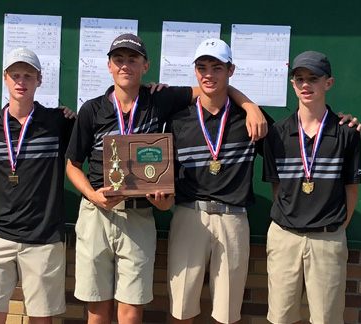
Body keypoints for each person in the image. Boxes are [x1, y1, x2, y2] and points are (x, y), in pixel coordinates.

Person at [65, 34, 267, 324]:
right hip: (97, 212)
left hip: (139, 215)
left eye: (132, 60)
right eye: (118, 60)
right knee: (97, 308)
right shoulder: (92, 109)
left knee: (131, 307)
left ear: (145, 66)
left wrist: (249, 105)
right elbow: (72, 165)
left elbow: (210, 88)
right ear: (108, 66)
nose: (125, 66)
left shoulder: (160, 99)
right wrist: (92, 194)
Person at [163, 38, 275, 324]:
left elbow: (294, 142)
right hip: (190, 216)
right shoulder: (177, 120)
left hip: (233, 219)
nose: (208, 75)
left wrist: (343, 124)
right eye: (202, 68)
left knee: (227, 312)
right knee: (181, 307)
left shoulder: (253, 119)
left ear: (231, 70)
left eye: (217, 67)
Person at [0, 47, 75, 324]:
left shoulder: (57, 123)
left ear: (39, 80)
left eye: (28, 75)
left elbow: (98, 131)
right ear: (4, 78)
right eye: (15, 74)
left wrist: (147, 92)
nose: (21, 81)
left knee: (41, 317)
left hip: (44, 237)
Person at [262, 51, 361, 324]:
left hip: (327, 239)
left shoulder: (347, 133)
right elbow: (277, 188)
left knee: (326, 318)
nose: (306, 85)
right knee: (281, 317)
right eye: (300, 79)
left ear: (328, 83)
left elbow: (351, 188)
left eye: (313, 79)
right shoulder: (277, 134)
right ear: (292, 84)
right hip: (284, 237)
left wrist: (337, 229)